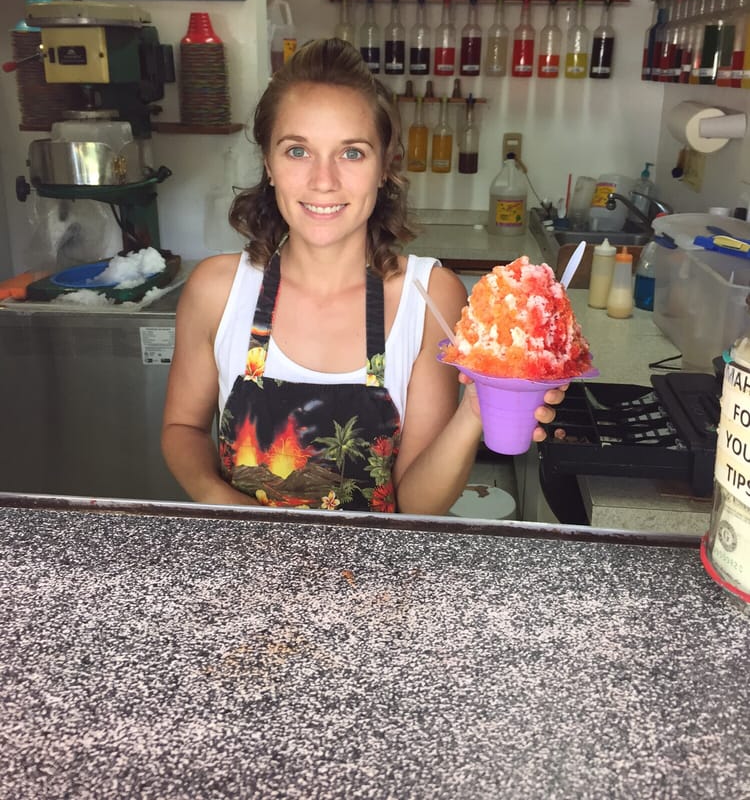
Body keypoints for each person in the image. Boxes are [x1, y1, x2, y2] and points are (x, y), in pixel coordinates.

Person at [161, 37, 564, 515]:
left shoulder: (428, 297)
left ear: (384, 167)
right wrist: (230, 508)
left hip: (379, 564)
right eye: (297, 151)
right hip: (244, 554)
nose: (323, 180)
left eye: (351, 153)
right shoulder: (217, 291)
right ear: (268, 164)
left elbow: (418, 507)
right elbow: (183, 430)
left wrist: (474, 411)